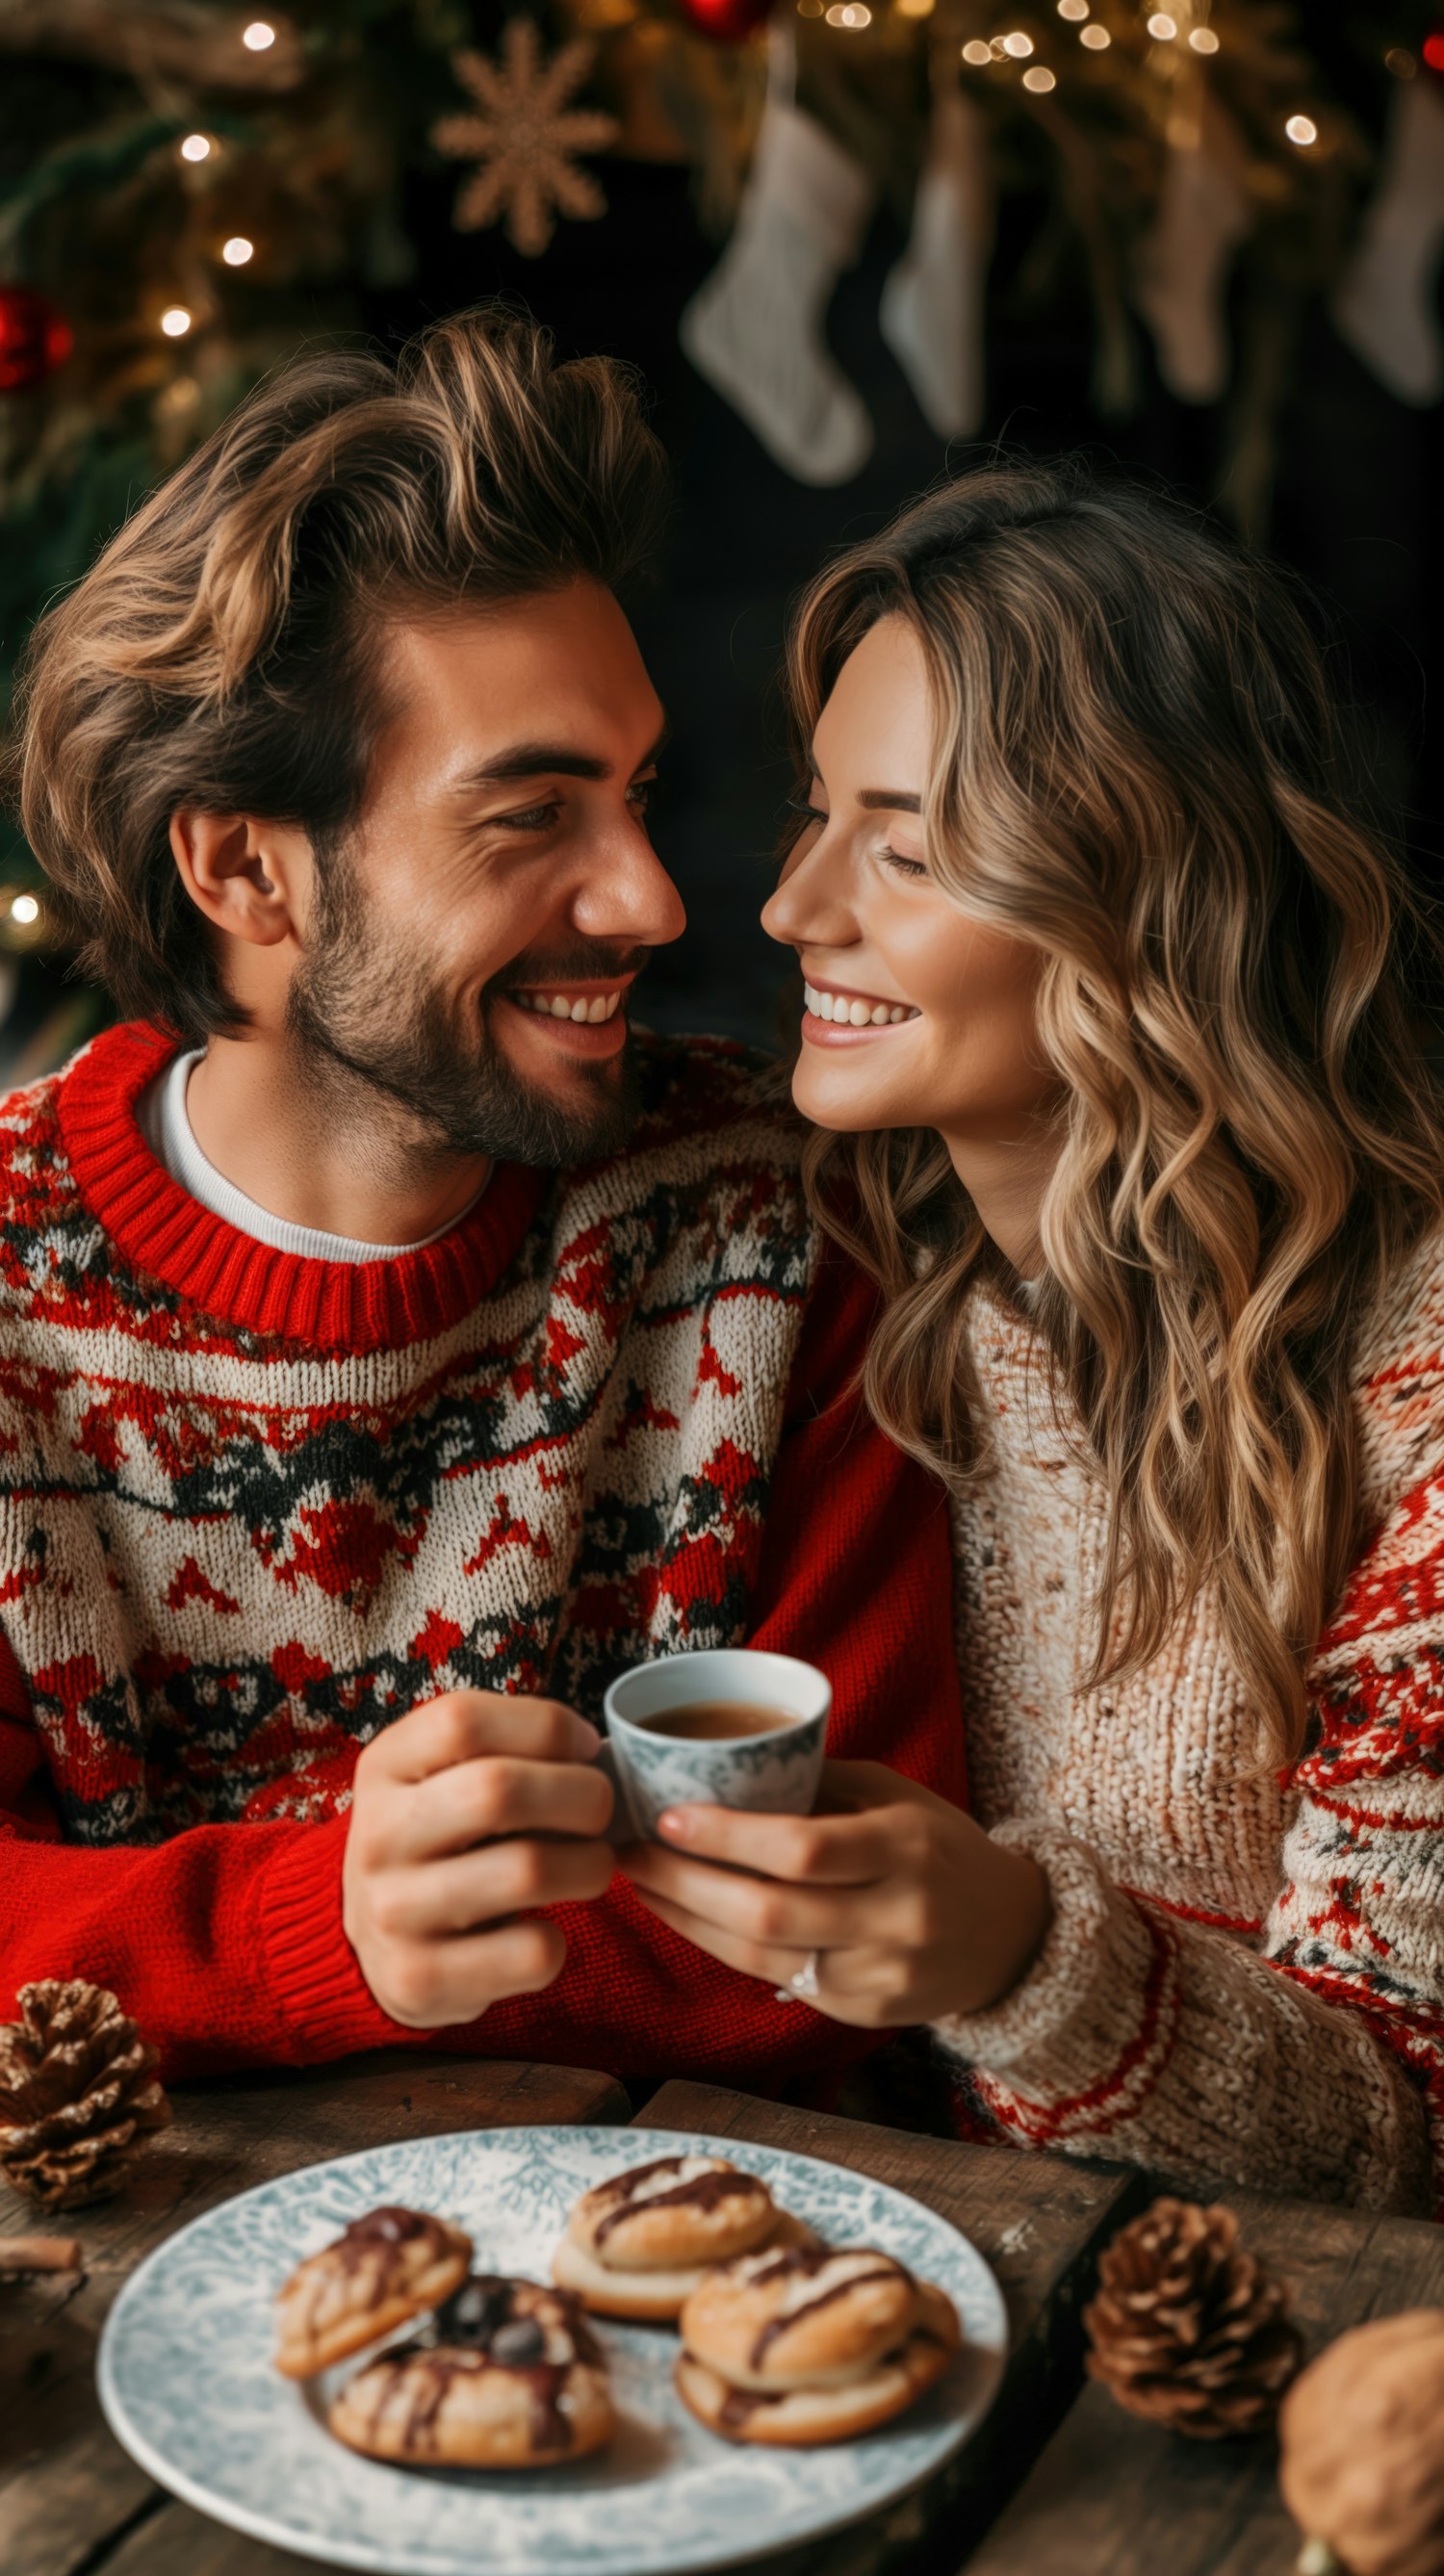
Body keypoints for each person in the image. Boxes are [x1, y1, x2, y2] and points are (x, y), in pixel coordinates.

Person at [0, 309, 967, 2093]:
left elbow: (844, 1945)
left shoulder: (769, 1222)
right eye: (531, 818)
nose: (657, 901)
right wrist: (309, 1935)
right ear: (244, 867)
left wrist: (188, 1957)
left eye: (640, 794)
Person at [619, 460, 1444, 2214]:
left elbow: (1413, 2139)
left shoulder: (1416, 1390)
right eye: (816, 812)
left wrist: (1021, 1962)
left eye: (908, 848)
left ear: (1146, 898)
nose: (793, 909)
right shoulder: (832, 1265)